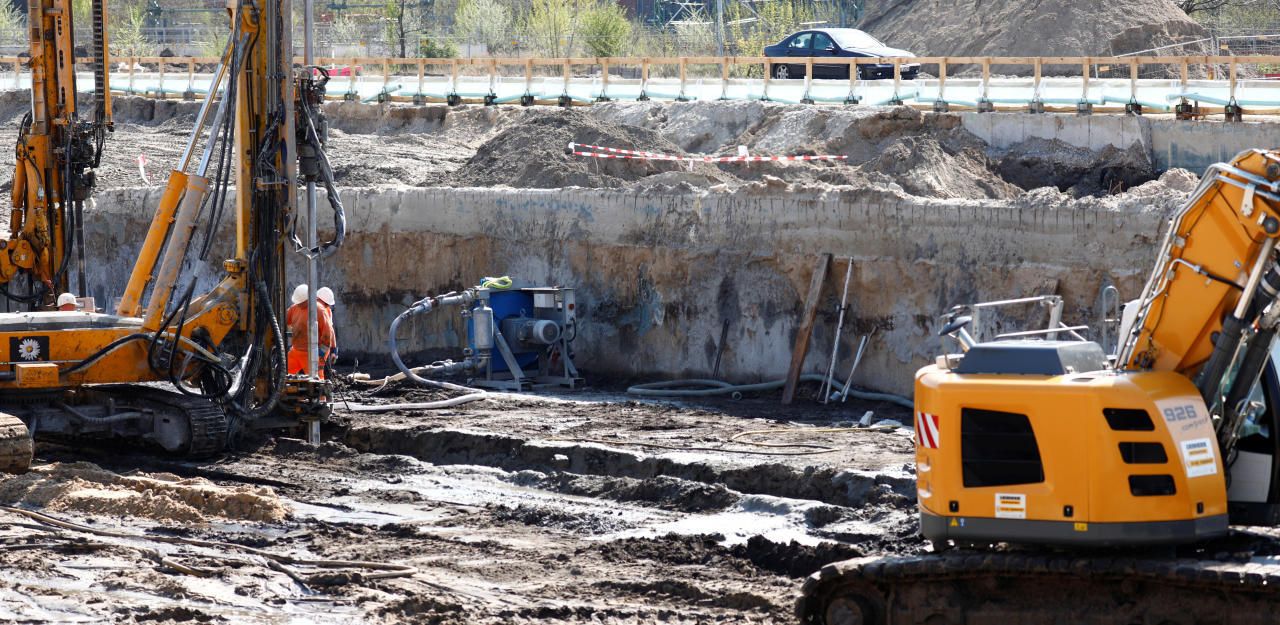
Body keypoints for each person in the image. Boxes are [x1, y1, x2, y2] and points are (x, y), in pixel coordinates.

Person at [285, 284, 336, 378]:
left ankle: (321, 387)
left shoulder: (320, 310)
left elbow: (328, 334)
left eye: (301, 303)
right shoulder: (294, 308)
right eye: (298, 303)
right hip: (296, 350)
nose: (299, 304)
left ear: (308, 300)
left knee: (316, 380)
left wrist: (321, 354)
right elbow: (283, 321)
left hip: (312, 353)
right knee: (283, 374)